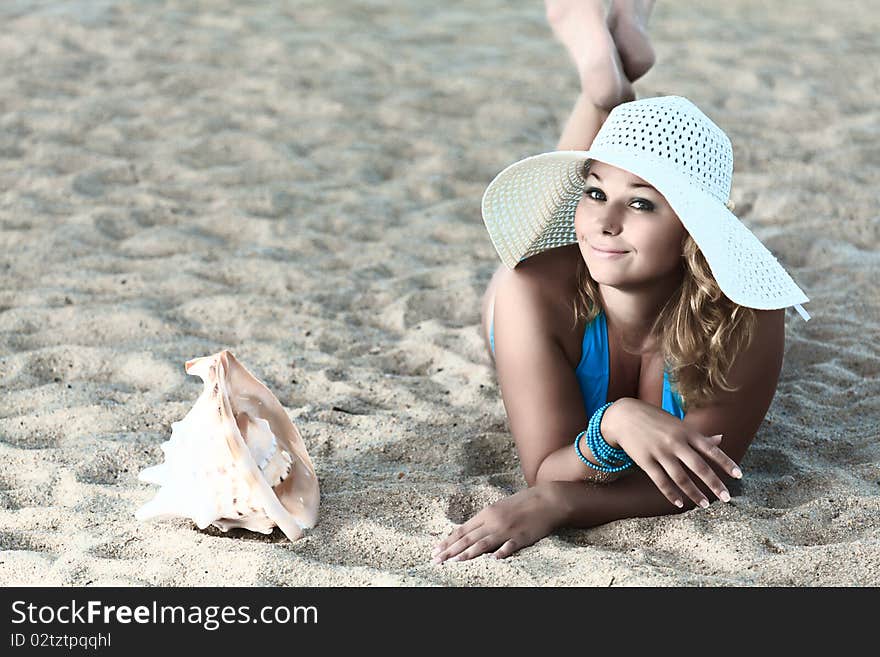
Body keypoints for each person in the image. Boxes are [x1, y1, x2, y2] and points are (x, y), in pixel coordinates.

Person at [431, 4, 811, 563]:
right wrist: (614, 422)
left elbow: (699, 484)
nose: (607, 218)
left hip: (625, 287)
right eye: (594, 191)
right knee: (522, 263)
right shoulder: (533, 290)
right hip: (547, 297)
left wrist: (558, 505)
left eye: (641, 202)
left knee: (585, 240)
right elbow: (543, 468)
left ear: (692, 229)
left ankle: (606, 79)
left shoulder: (745, 315)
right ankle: (602, 88)